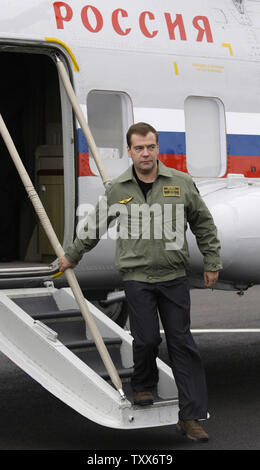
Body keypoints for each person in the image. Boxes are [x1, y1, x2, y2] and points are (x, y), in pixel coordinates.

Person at [59, 122, 222, 442]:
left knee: (182, 346)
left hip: (174, 278)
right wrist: (73, 255)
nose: (145, 153)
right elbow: (95, 224)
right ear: (130, 151)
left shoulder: (181, 182)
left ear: (157, 148)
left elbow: (203, 223)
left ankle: (191, 417)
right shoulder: (119, 189)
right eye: (138, 148)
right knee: (145, 339)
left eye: (150, 147)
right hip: (137, 278)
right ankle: (144, 386)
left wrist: (212, 261)